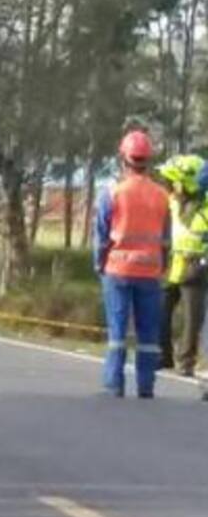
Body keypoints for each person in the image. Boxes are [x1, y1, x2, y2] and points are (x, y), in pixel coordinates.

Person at [94, 130, 171, 399]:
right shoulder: (162, 195)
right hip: (150, 272)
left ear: (123, 159)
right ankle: (146, 386)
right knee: (148, 334)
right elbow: (166, 238)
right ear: (147, 160)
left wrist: (99, 265)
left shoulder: (112, 193)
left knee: (117, 331)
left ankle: (114, 384)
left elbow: (102, 236)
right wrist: (163, 267)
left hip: (118, 271)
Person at [157, 154, 208, 376]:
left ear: (182, 183)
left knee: (192, 318)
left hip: (195, 266)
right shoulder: (173, 202)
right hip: (174, 263)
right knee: (160, 310)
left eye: (171, 181)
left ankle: (185, 362)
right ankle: (163, 355)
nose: (167, 186)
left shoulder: (203, 208)